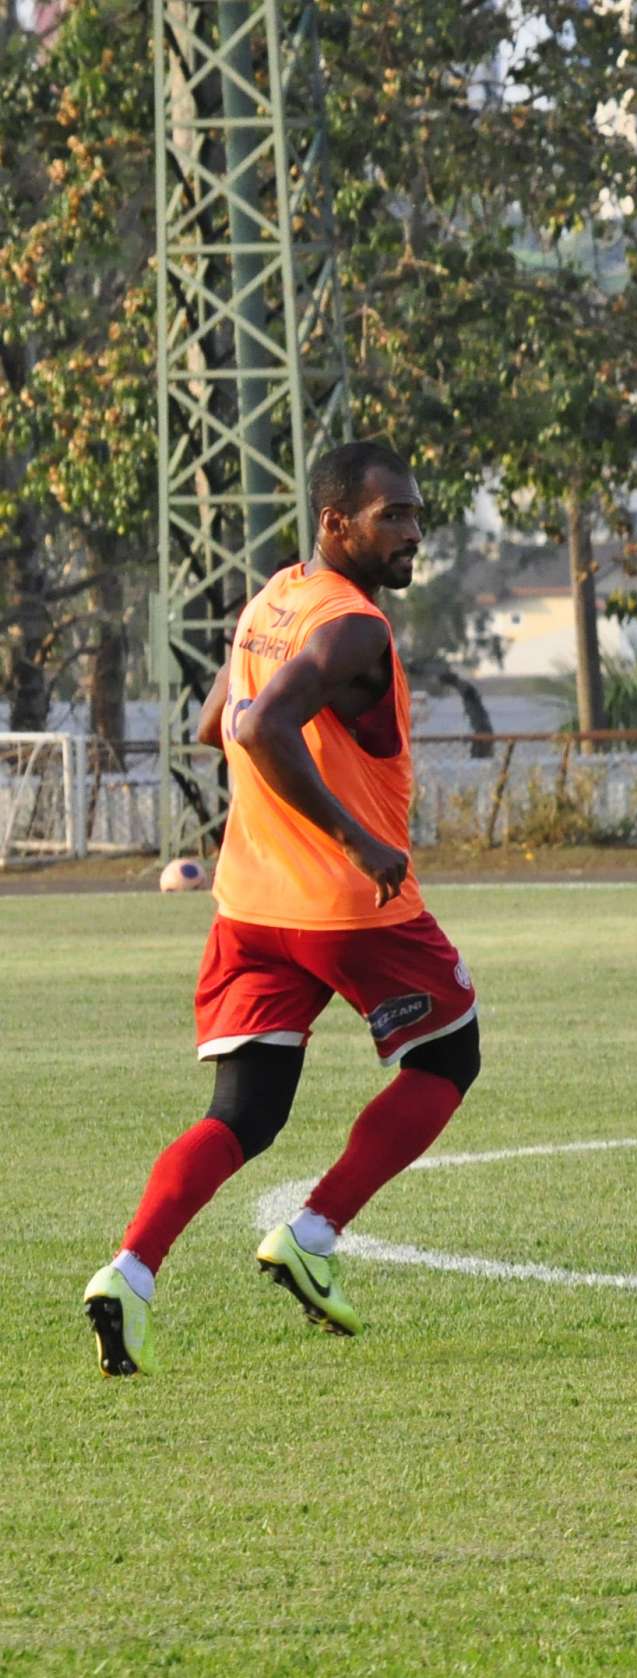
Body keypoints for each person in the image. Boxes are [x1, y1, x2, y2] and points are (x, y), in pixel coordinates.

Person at [83, 440, 481, 1376]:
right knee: (451, 1055)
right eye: (395, 518)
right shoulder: (354, 630)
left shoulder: (273, 597)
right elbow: (258, 726)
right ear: (337, 523)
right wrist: (354, 837)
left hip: (248, 903)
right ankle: (313, 1232)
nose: (413, 534)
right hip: (349, 906)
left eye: (419, 514)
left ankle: (129, 1273)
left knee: (245, 1111)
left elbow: (214, 720)